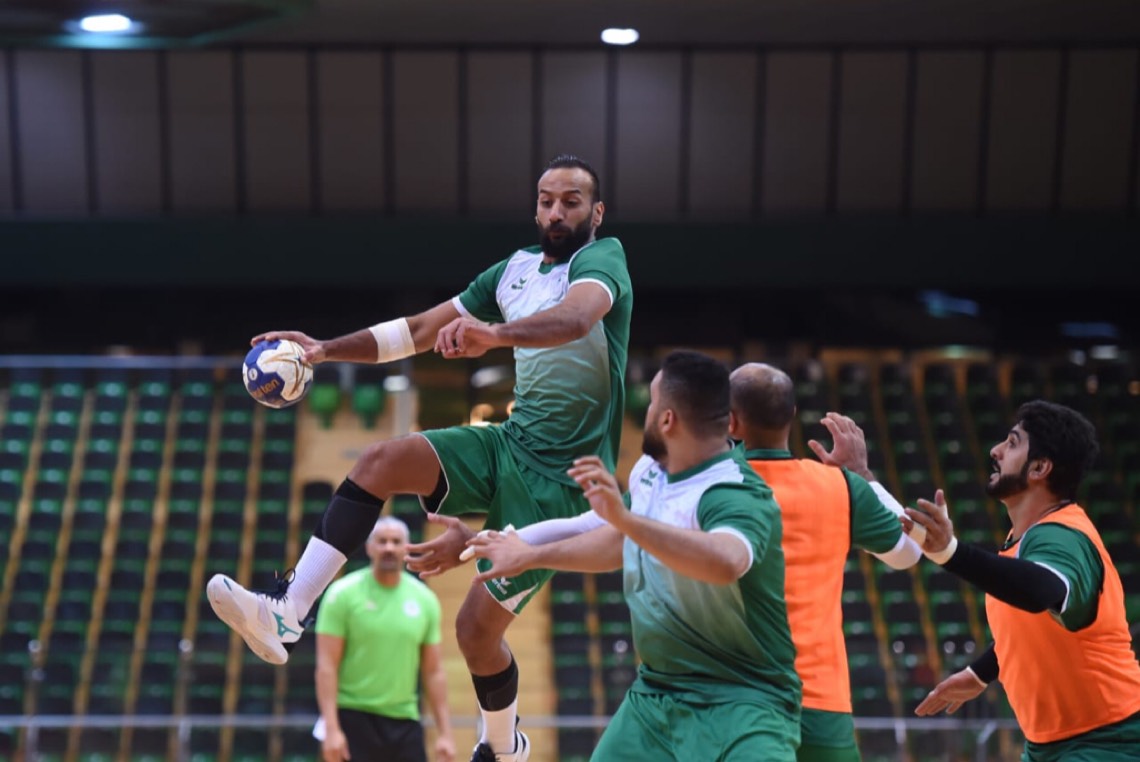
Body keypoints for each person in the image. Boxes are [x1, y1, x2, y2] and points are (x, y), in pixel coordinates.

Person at [207, 154, 632, 762]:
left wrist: (492, 335)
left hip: (563, 482)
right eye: (546, 201)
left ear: (597, 212)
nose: (556, 212)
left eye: (571, 201)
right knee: (380, 461)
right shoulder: (512, 271)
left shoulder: (602, 259)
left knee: (474, 633)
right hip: (510, 442)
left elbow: (576, 319)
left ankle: (503, 744)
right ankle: (288, 613)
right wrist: (324, 350)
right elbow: (417, 330)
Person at [467, 350, 802, 760]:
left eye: (652, 402)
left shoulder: (734, 491)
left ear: (667, 420)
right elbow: (611, 536)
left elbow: (727, 561)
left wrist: (626, 521)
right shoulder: (652, 470)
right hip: (657, 694)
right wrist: (515, 548)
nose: (645, 413)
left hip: (743, 702)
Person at [906, 400, 1140, 761]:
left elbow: (1040, 591)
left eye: (1012, 443)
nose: (995, 451)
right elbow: (1032, 624)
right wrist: (981, 673)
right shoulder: (1028, 539)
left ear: (1040, 468)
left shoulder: (1064, 536)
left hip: (1111, 740)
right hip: (1052, 745)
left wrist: (950, 553)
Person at [728, 363, 922, 762]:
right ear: (792, 415)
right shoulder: (841, 486)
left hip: (734, 702)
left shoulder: (708, 485)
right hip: (820, 703)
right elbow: (909, 553)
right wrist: (862, 475)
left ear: (729, 421)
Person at [314, 517, 455, 762]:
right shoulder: (342, 594)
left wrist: (445, 733)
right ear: (369, 547)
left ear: (406, 549)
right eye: (382, 541)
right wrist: (332, 729)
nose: (389, 547)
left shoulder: (425, 600)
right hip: (352, 718)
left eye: (396, 542)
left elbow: (433, 671)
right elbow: (327, 666)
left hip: (405, 722)